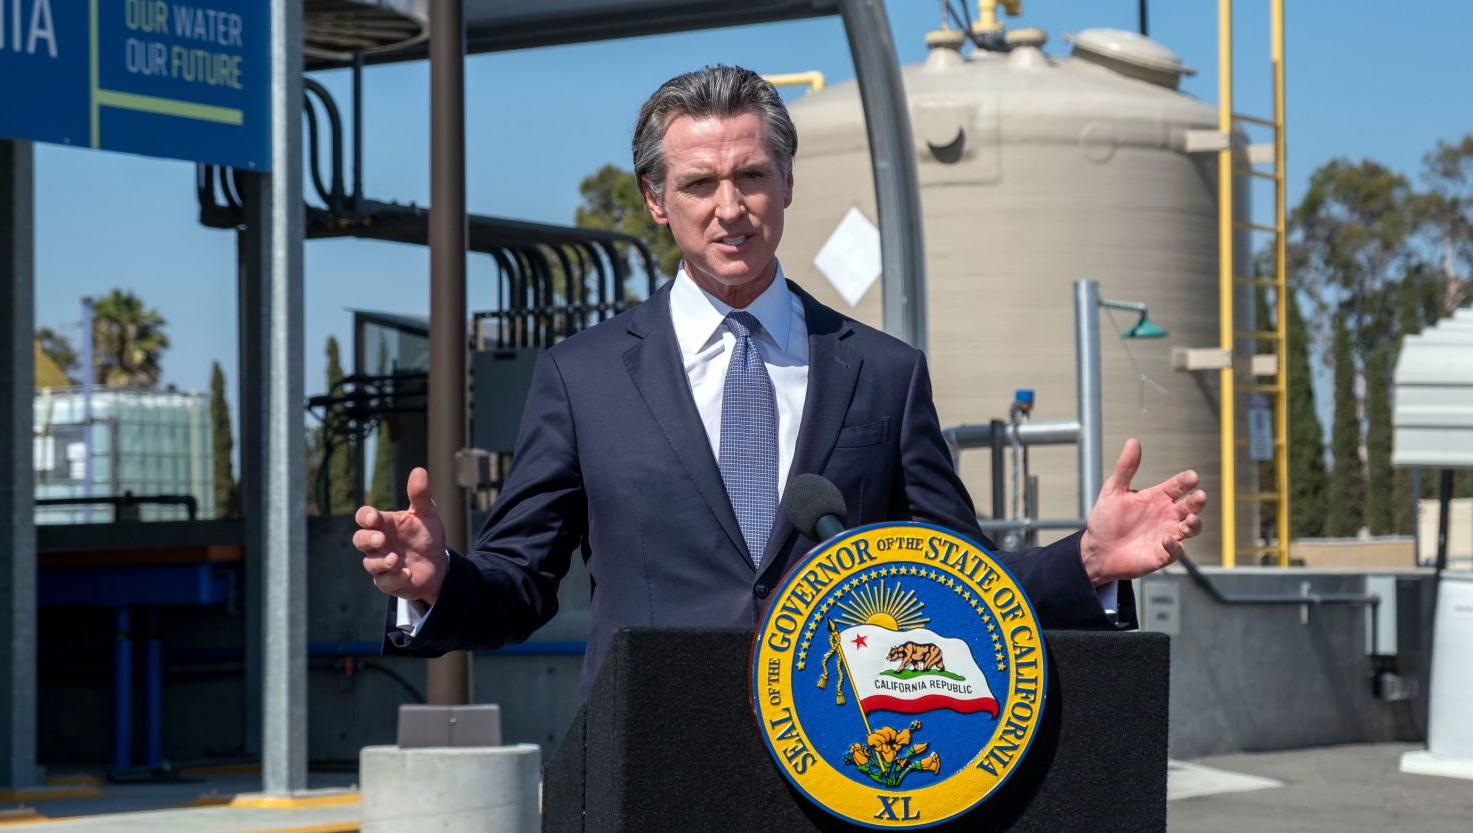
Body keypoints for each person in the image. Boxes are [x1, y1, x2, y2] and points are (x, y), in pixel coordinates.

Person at [354, 65, 1206, 695]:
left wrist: (1084, 560)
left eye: (751, 176)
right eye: (699, 183)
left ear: (789, 183)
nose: (730, 206)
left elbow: (959, 579)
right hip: (649, 764)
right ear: (657, 199)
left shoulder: (884, 373)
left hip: (852, 764)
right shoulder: (582, 379)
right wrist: (437, 581)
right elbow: (521, 583)